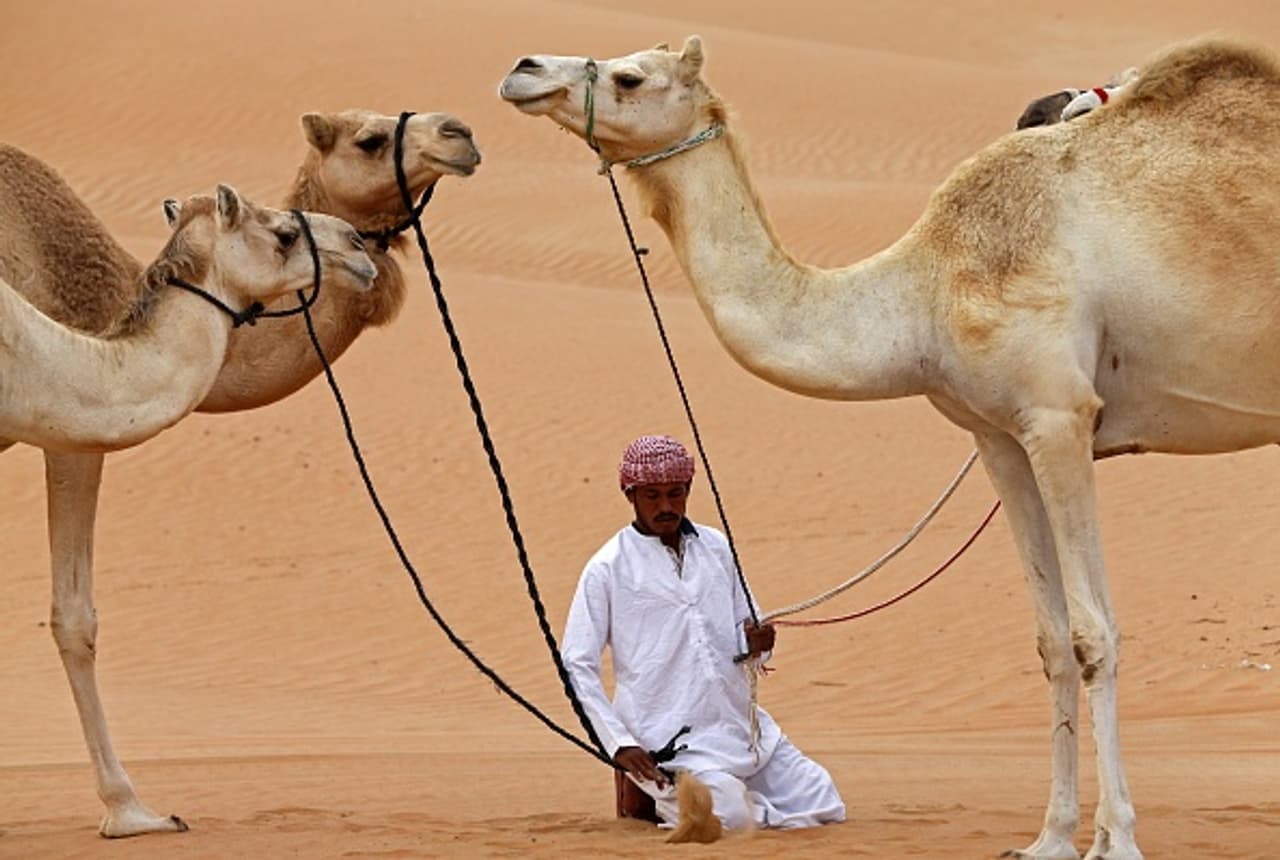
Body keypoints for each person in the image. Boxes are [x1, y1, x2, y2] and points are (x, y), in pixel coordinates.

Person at [561, 434, 846, 831]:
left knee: (823, 799)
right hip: (670, 741)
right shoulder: (607, 567)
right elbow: (576, 664)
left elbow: (749, 629)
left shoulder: (716, 547)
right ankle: (696, 801)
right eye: (652, 496)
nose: (665, 507)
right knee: (725, 817)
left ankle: (734, 802)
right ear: (630, 495)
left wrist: (759, 644)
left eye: (675, 494)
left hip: (739, 729)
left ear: (689, 489)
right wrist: (618, 743)